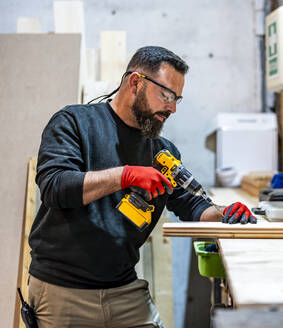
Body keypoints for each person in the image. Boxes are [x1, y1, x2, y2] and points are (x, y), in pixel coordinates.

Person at [27, 46, 257, 328]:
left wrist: (224, 213)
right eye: (167, 95)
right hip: (62, 292)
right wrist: (125, 176)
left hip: (125, 290)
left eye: (177, 99)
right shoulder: (74, 122)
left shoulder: (162, 152)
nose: (172, 108)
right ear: (136, 82)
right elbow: (55, 186)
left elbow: (192, 205)